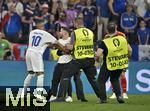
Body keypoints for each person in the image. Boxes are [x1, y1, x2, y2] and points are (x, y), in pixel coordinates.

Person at [55, 17, 100, 102]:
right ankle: (102, 97)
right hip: (90, 59)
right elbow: (92, 45)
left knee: (65, 76)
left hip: (78, 59)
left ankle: (60, 97)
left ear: (76, 24)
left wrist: (66, 46)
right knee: (92, 79)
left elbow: (71, 47)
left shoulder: (75, 33)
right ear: (83, 23)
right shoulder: (90, 32)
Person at [21, 20, 59, 102]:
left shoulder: (32, 32)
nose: (44, 27)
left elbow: (41, 43)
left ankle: (23, 93)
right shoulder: (45, 34)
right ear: (40, 26)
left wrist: (48, 45)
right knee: (40, 75)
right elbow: (56, 42)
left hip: (28, 52)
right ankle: (39, 96)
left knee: (31, 74)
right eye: (43, 26)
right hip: (36, 54)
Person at [95, 22, 132, 103]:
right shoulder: (122, 38)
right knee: (114, 79)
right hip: (120, 63)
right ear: (116, 29)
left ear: (107, 30)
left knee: (101, 81)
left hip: (108, 64)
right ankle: (119, 96)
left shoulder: (105, 41)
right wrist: (127, 57)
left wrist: (97, 59)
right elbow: (130, 50)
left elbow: (98, 54)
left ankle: (103, 99)